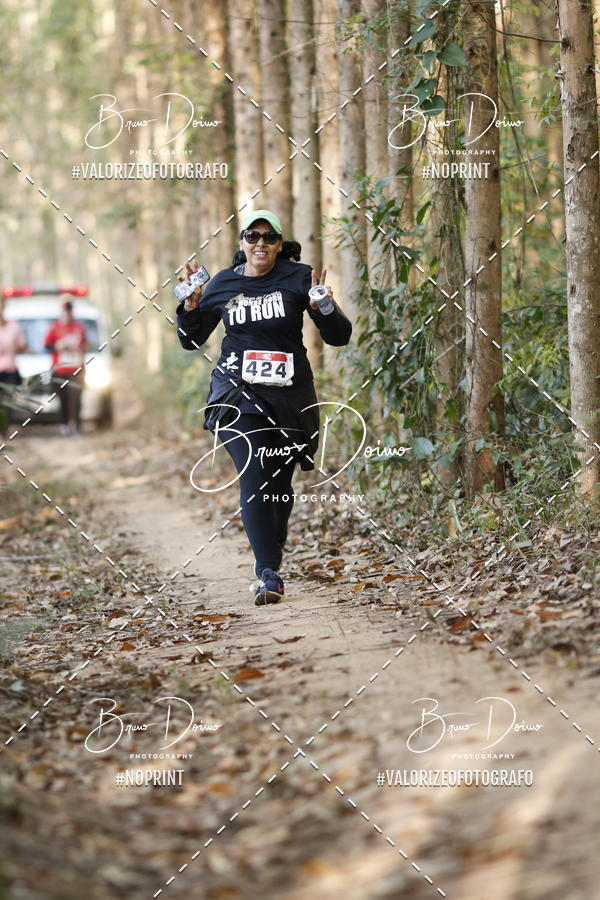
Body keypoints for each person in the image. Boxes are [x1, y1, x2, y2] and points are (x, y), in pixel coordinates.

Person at [176, 209, 352, 605]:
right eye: (252, 236)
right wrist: (190, 308)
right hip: (237, 394)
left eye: (269, 237)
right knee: (255, 473)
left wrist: (324, 306)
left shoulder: (298, 277)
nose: (260, 243)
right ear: (241, 242)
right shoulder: (223, 283)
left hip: (290, 397)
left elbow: (339, 336)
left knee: (280, 484)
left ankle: (273, 545)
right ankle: (268, 573)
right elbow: (191, 340)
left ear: (279, 244)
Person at [44, 300, 87, 435]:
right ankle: (64, 425)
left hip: (76, 369)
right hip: (60, 370)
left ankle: (77, 424)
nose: (67, 314)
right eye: (65, 312)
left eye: (69, 311)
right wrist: (57, 346)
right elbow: (46, 346)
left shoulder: (79, 327)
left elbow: (85, 344)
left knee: (76, 398)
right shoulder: (54, 327)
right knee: (62, 398)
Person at [0, 294, 28, 438]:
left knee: (6, 402)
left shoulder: (14, 326)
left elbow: (22, 345)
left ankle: (3, 430)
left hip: (9, 370)